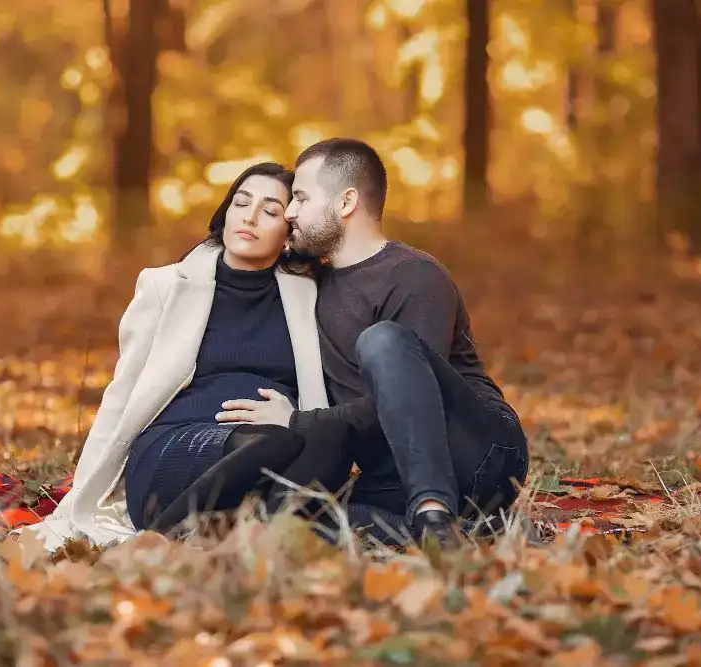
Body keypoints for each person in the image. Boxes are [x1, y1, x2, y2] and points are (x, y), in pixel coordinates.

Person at [217, 139, 529, 549]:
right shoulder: (312, 285)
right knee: (284, 521)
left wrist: (296, 421)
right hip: (390, 471)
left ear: (346, 203)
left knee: (382, 341)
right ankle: (472, 530)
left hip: (479, 455)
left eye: (301, 198)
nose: (290, 212)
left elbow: (411, 400)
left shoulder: (414, 275)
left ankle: (434, 516)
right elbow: (232, 255)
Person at [24, 162, 352, 551]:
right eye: (240, 203)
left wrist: (296, 418)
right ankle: (154, 542)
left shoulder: (310, 294)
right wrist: (82, 493)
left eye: (270, 211)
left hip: (269, 457)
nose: (250, 216)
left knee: (330, 439)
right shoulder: (166, 286)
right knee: (271, 441)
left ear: (288, 233)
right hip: (174, 450)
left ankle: (263, 536)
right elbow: (122, 393)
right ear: (226, 213)